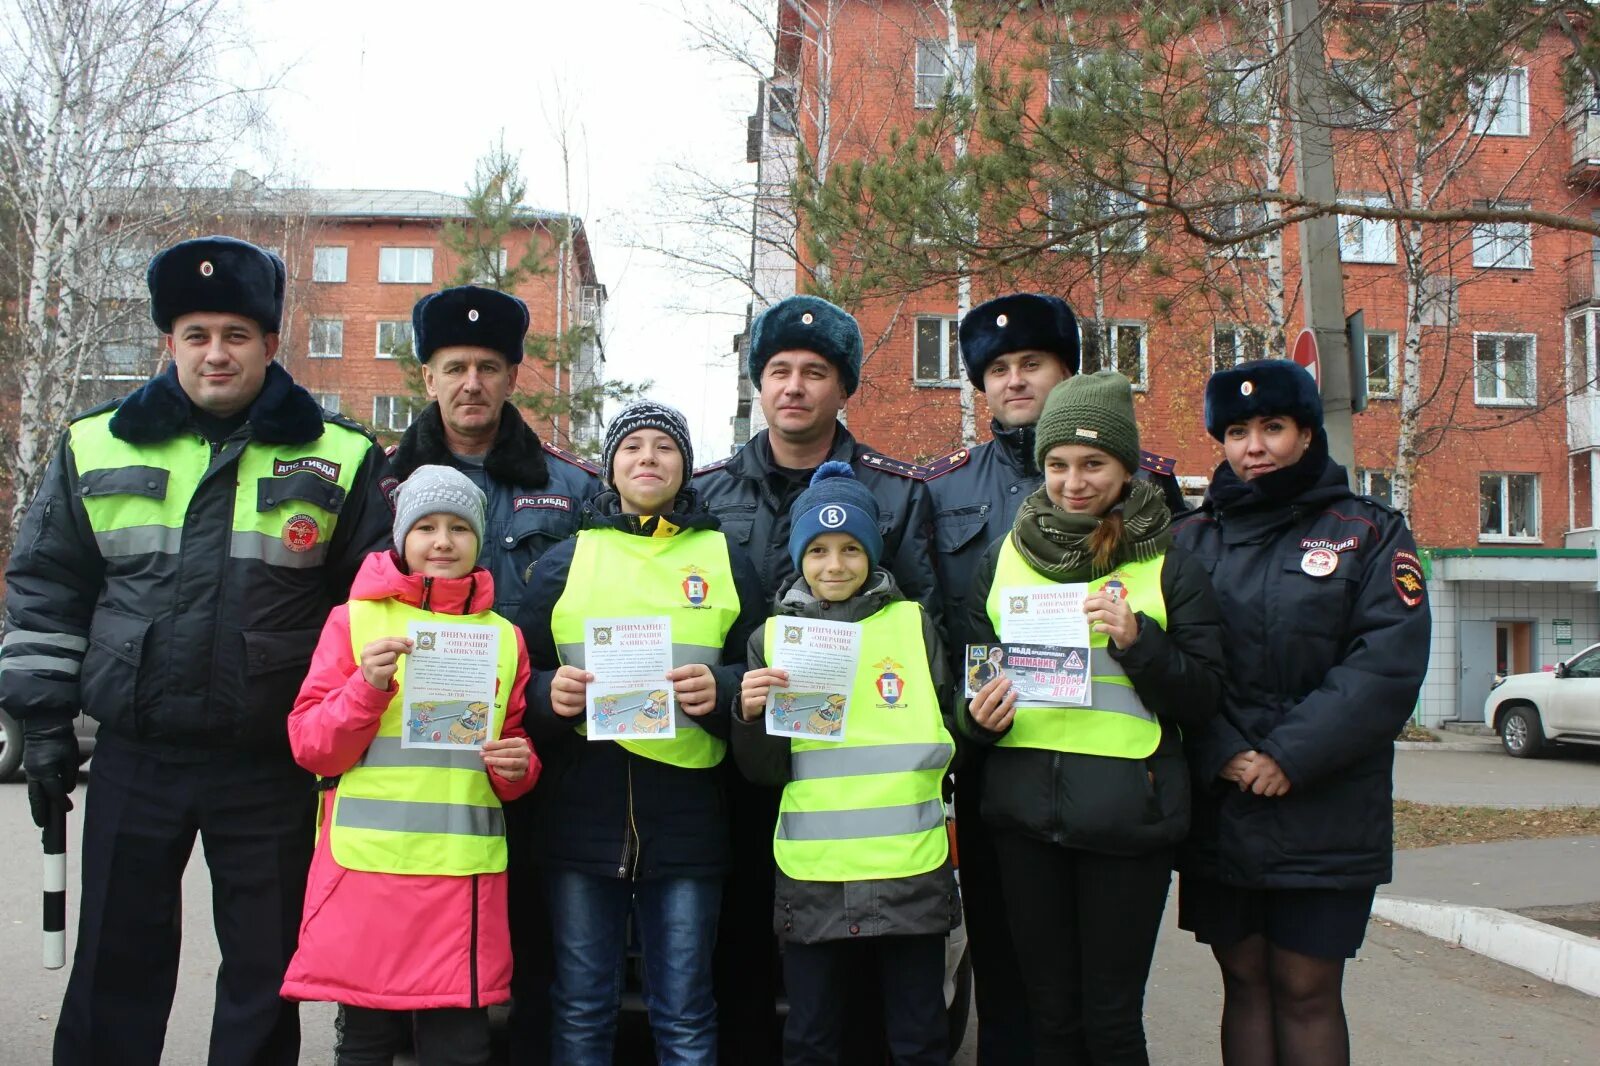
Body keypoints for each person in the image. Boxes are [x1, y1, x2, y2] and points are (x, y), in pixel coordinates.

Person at [0, 235, 393, 1065]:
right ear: (166, 343)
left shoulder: (342, 455)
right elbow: (46, 588)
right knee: (116, 962)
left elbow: (368, 612)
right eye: (197, 335)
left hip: (268, 767)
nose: (217, 353)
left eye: (236, 335)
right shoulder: (93, 445)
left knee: (263, 971)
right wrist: (40, 726)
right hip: (136, 755)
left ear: (270, 344)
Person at [925, 292, 1188, 1066]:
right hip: (995, 768)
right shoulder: (940, 488)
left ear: (1064, 371)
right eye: (997, 369)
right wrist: (966, 720)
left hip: (1113, 780)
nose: (1013, 381)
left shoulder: (1148, 490)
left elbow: (1184, 612)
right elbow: (941, 625)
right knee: (1007, 978)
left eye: (1030, 363)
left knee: (1099, 1001)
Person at [693, 294, 942, 1064]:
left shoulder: (898, 494)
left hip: (854, 787)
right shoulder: (707, 492)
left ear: (844, 388)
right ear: (758, 386)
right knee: (739, 955)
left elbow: (920, 633)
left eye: (814, 372)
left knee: (862, 985)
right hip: (738, 755)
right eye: (778, 371)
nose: (794, 386)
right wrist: (741, 692)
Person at [960, 371, 1226, 1065]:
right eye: (1057, 465)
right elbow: (968, 687)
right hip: (1024, 825)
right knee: (1048, 1018)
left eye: (1092, 464)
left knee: (1109, 1023)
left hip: (1127, 828)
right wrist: (978, 717)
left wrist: (1142, 644)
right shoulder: (1003, 559)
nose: (1073, 482)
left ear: (1124, 466)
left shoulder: (1169, 565)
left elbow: (1203, 697)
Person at [1171, 360, 1431, 1066]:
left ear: (1307, 433)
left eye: (1272, 427)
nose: (1254, 446)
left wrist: (1291, 755)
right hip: (1224, 803)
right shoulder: (1189, 541)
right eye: (1236, 431)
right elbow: (1173, 664)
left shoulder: (1368, 532)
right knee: (1245, 981)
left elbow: (1386, 664)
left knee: (1307, 987)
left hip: (1326, 804)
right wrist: (1221, 748)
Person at [386, 283, 599, 1061]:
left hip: (538, 757)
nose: (470, 383)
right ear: (428, 377)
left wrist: (542, 696)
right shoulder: (379, 487)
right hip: (413, 774)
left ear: (512, 377)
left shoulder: (573, 490)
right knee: (414, 960)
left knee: (537, 948)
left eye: (487, 367)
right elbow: (345, 619)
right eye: (453, 367)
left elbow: (600, 621)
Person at [515, 401, 765, 1064]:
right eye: (632, 447)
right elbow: (519, 670)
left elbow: (767, 664)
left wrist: (728, 690)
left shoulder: (724, 556)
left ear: (685, 467)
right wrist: (547, 695)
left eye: (663, 447)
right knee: (581, 1007)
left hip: (687, 816)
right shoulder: (567, 558)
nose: (647, 458)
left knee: (683, 1009)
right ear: (610, 467)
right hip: (580, 813)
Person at [280, 465, 538, 1065]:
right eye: (425, 526)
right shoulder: (354, 620)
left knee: (460, 1047)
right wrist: (365, 689)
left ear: (478, 540)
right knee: (367, 1043)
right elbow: (311, 745)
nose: (442, 541)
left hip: (462, 878)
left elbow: (514, 755)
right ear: (400, 538)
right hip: (370, 875)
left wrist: (517, 766)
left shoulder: (504, 638)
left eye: (457, 528)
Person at [733, 462, 960, 1066]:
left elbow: (951, 728)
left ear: (874, 553)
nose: (835, 565)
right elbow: (763, 771)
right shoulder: (772, 639)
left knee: (917, 1036)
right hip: (815, 873)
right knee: (811, 1037)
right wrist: (750, 716)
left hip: (909, 869)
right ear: (799, 557)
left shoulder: (915, 627)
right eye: (819, 550)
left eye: (852, 548)